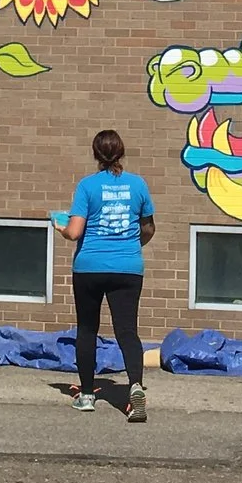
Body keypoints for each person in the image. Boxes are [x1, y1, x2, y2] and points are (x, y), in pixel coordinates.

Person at [54, 128, 155, 421]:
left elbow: (75, 232)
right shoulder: (138, 185)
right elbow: (148, 228)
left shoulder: (87, 186)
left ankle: (86, 395)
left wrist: (60, 227)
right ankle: (135, 386)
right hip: (128, 268)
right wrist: (130, 247)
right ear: (121, 152)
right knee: (127, 330)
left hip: (90, 267)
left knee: (87, 329)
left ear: (96, 154)